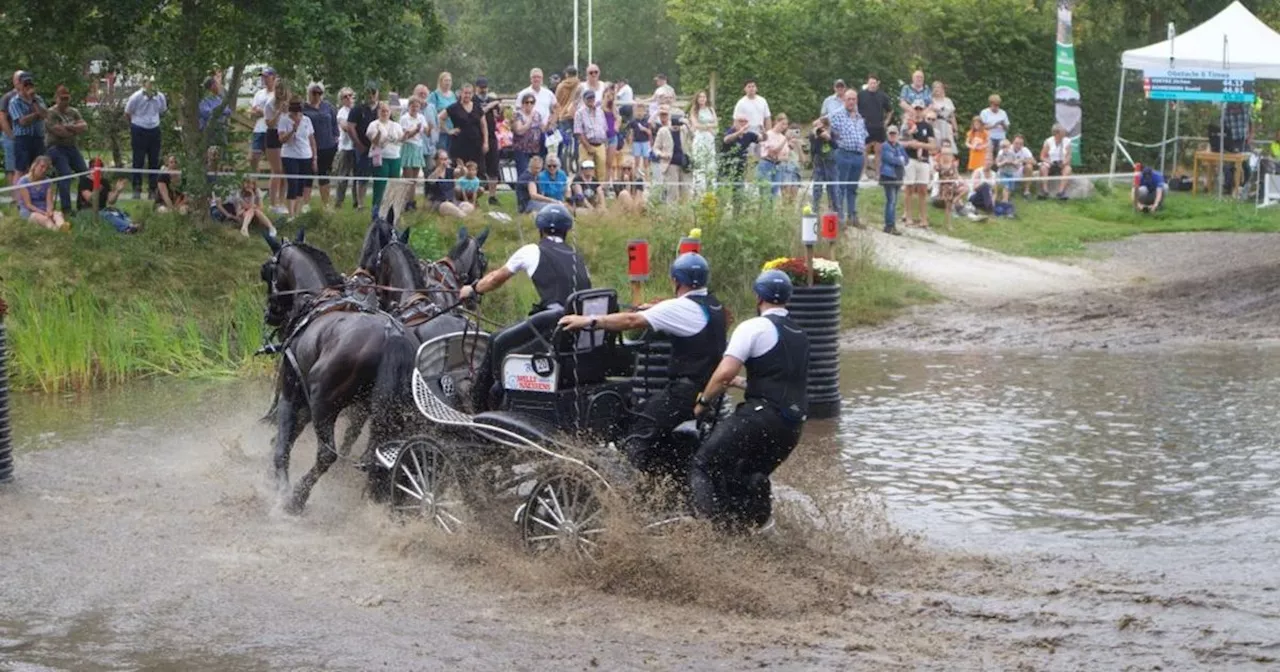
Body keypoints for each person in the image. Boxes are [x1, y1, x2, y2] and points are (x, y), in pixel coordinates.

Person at [559, 253, 726, 483]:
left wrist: (588, 321)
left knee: (637, 429)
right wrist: (656, 308)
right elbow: (681, 313)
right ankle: (660, 480)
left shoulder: (681, 308)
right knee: (658, 428)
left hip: (684, 393)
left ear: (676, 280)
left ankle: (624, 491)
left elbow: (630, 322)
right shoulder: (714, 305)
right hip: (707, 391)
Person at [690, 270, 809, 531]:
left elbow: (723, 373)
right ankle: (758, 532)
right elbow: (782, 380)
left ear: (758, 297)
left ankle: (707, 538)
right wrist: (745, 384)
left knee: (703, 464)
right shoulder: (799, 333)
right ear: (788, 298)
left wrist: (702, 403)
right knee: (747, 474)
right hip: (792, 426)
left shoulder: (753, 327)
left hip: (760, 417)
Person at [459, 204, 590, 313]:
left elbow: (495, 279)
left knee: (495, 341)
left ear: (540, 229)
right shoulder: (577, 256)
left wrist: (473, 289)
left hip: (555, 322)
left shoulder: (532, 250)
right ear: (566, 230)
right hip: (581, 320)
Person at [44, 85, 89, 213]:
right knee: (65, 175)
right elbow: (60, 132)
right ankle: (66, 208)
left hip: (71, 147)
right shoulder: (51, 113)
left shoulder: (73, 111)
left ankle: (83, 203)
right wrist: (75, 129)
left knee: (84, 173)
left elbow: (85, 126)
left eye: (67, 98)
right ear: (56, 98)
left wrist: (69, 127)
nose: (65, 101)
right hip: (56, 148)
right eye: (62, 98)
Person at [829, 90, 868, 229]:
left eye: (854, 99)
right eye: (849, 99)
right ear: (844, 100)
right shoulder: (837, 115)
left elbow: (864, 136)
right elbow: (829, 131)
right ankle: (839, 218)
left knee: (853, 188)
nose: (851, 102)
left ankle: (852, 216)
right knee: (841, 186)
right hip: (843, 153)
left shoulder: (859, 118)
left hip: (858, 155)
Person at [124, 78, 166, 200]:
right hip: (139, 128)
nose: (152, 85)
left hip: (154, 128)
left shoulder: (160, 96)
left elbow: (162, 110)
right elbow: (127, 112)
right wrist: (134, 125)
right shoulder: (136, 97)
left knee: (154, 160)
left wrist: (153, 120)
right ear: (144, 84)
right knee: (138, 159)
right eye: (150, 83)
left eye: (154, 83)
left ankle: (152, 189)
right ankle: (137, 188)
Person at [302, 82, 339, 208]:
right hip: (308, 147)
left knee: (324, 174)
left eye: (319, 93)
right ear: (309, 93)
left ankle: (326, 204)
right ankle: (305, 205)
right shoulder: (303, 108)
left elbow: (334, 125)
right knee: (308, 175)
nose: (317, 95)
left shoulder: (328, 107)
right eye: (314, 92)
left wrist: (335, 139)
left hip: (327, 146)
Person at [278, 100, 317, 216]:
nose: (297, 116)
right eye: (295, 113)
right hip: (290, 155)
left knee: (301, 184)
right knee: (293, 183)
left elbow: (311, 139)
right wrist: (293, 130)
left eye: (299, 113)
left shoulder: (307, 120)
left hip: (305, 155)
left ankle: (297, 211)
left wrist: (315, 157)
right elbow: (282, 139)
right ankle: (290, 213)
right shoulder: (284, 120)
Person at [346, 82, 381, 210]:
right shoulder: (358, 109)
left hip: (378, 148)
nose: (371, 95)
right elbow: (350, 127)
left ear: (377, 93)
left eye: (373, 92)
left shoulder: (381, 109)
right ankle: (360, 203)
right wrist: (358, 144)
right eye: (368, 92)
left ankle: (378, 204)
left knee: (378, 175)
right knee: (362, 176)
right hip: (363, 147)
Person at [367, 100, 404, 215]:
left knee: (394, 185)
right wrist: (378, 133)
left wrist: (408, 134)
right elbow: (374, 141)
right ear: (378, 112)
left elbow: (401, 140)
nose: (385, 113)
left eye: (387, 111)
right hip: (380, 157)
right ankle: (376, 212)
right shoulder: (374, 124)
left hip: (395, 157)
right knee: (380, 185)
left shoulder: (396, 125)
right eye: (382, 111)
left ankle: (392, 212)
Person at [442, 84, 488, 177]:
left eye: (469, 93)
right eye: (465, 93)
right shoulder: (454, 107)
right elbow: (440, 118)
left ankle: (473, 190)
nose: (467, 95)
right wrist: (448, 130)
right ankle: (459, 190)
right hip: (460, 144)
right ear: (461, 93)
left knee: (477, 170)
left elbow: (484, 125)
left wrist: (485, 142)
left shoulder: (477, 107)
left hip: (476, 144)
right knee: (460, 170)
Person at [902, 102, 935, 228]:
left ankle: (923, 218)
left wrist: (920, 145)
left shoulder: (927, 126)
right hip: (910, 159)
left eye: (920, 109)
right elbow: (899, 142)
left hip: (924, 160)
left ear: (923, 110)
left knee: (923, 190)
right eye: (916, 108)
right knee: (909, 189)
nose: (918, 111)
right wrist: (910, 143)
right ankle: (908, 216)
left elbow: (933, 145)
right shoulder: (906, 125)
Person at [7, 72, 46, 174]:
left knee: (38, 168)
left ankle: (34, 189)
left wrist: (33, 101)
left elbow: (44, 115)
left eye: (30, 84)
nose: (28, 87)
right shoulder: (14, 102)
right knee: (21, 169)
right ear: (19, 85)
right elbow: (22, 121)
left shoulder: (38, 99)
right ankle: (18, 190)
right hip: (23, 138)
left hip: (38, 137)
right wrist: (36, 114)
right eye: (25, 84)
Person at [15, 156, 68, 231]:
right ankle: (56, 231)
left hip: (44, 209)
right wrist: (43, 213)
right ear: (35, 165)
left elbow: (49, 202)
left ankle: (63, 227)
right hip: (30, 211)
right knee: (44, 219)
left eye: (46, 168)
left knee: (58, 214)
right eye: (42, 166)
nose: (44, 170)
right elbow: (28, 204)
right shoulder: (23, 181)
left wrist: (49, 211)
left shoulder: (48, 181)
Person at [856, 74, 893, 178]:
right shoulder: (861, 95)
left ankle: (878, 174)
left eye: (874, 83)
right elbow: (855, 109)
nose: (872, 85)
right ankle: (863, 174)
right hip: (865, 127)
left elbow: (890, 110)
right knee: (864, 151)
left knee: (879, 152)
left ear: (877, 84)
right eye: (870, 83)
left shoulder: (883, 96)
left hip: (879, 127)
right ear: (867, 83)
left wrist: (886, 122)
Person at [653, 104, 691, 205]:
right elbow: (655, 148)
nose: (676, 122)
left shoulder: (684, 130)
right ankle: (671, 216)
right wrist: (662, 155)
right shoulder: (663, 131)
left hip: (684, 164)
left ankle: (686, 216)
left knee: (686, 192)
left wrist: (687, 124)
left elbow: (694, 136)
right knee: (672, 192)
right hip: (670, 164)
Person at [473, 77, 503, 205]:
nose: (483, 90)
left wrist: (499, 110)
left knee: (493, 167)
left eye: (485, 87)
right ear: (476, 88)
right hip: (476, 136)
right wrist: (492, 105)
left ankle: (492, 196)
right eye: (481, 87)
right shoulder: (473, 100)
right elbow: (479, 113)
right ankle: (473, 195)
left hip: (491, 135)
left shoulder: (492, 100)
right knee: (476, 167)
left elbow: (500, 118)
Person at [424, 149, 474, 218]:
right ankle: (463, 216)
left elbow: (463, 174)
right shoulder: (430, 171)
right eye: (441, 159)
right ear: (435, 160)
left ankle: (459, 214)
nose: (444, 161)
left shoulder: (450, 171)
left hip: (452, 201)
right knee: (447, 206)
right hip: (438, 202)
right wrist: (440, 168)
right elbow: (431, 180)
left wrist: (462, 167)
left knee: (469, 206)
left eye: (446, 159)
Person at [398, 97, 428, 205]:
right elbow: (404, 136)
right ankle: (405, 200)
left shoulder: (421, 117)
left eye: (417, 106)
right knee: (408, 178)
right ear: (409, 106)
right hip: (408, 146)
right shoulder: (404, 118)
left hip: (418, 147)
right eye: (413, 106)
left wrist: (427, 128)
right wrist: (415, 130)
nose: (415, 108)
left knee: (414, 179)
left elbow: (426, 130)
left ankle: (411, 200)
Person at [334, 88, 360, 209]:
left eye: (350, 95)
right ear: (342, 100)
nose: (349, 98)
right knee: (343, 176)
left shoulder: (358, 110)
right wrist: (357, 127)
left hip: (357, 147)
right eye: (345, 96)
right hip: (345, 147)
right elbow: (346, 127)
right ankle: (339, 202)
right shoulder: (342, 112)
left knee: (357, 177)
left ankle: (357, 202)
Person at [688, 90, 719, 193]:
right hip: (700, 138)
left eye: (704, 97)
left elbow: (716, 123)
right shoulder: (694, 110)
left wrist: (706, 126)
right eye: (700, 97)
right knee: (700, 164)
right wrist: (708, 126)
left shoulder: (710, 109)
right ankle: (699, 190)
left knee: (711, 164)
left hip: (710, 138)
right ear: (697, 99)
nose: (702, 99)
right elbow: (696, 125)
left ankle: (712, 189)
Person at [249, 67, 277, 177]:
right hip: (259, 129)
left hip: (272, 129)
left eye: (267, 77)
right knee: (254, 157)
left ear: (273, 78)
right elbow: (253, 111)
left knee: (273, 160)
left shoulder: (277, 95)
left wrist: (263, 112)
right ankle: (254, 182)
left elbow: (278, 112)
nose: (264, 79)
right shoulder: (259, 94)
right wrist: (259, 112)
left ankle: (274, 184)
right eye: (263, 77)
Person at [516, 68, 557, 144]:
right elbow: (518, 111)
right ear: (530, 79)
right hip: (527, 131)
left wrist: (552, 123)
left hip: (545, 131)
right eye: (534, 77)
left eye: (539, 77)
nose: (536, 79)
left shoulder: (549, 93)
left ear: (542, 78)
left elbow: (555, 110)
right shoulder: (523, 93)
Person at [878, 125, 906, 236]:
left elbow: (906, 159)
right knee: (891, 201)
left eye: (895, 133)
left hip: (898, 177)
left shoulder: (900, 146)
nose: (893, 136)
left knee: (893, 202)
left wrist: (898, 159)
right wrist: (899, 159)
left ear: (898, 135)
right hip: (888, 176)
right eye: (891, 133)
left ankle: (890, 225)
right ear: (887, 134)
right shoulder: (884, 146)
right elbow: (889, 159)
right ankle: (889, 225)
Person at [574, 89, 608, 178]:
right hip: (586, 145)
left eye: (592, 98)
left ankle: (600, 190)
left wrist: (605, 144)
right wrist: (588, 147)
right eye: (588, 98)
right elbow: (578, 132)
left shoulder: (600, 112)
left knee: (601, 171)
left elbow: (604, 128)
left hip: (600, 144)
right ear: (584, 100)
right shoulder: (579, 113)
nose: (591, 100)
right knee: (586, 170)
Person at [756, 115, 790, 198]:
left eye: (786, 124)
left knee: (774, 192)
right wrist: (785, 140)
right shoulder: (768, 135)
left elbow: (786, 156)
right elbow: (773, 152)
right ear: (776, 122)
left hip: (778, 166)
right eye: (782, 124)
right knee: (765, 192)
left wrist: (779, 158)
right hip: (766, 164)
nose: (784, 126)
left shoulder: (782, 137)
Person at [1038, 124, 1073, 200]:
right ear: (1057, 133)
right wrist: (1050, 162)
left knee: (1068, 169)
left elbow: (1069, 156)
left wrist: (1064, 162)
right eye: (1062, 131)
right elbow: (1042, 156)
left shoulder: (1067, 141)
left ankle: (1061, 192)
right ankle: (1045, 191)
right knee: (1043, 168)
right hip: (1050, 164)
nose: (1064, 132)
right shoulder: (1048, 141)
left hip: (1062, 164)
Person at [809, 118, 837, 213]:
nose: (820, 129)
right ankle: (815, 210)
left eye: (822, 127)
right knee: (817, 188)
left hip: (831, 164)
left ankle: (834, 210)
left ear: (826, 126)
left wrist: (828, 138)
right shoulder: (814, 135)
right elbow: (813, 151)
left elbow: (836, 146)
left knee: (833, 189)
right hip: (819, 164)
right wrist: (816, 138)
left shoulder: (832, 133)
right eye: (817, 126)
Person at [1, 71, 23, 184]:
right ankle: (15, 196)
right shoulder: (8, 97)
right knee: (11, 166)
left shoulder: (29, 96)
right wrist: (10, 135)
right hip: (11, 134)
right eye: (19, 79)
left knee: (23, 165)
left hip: (24, 134)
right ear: (14, 82)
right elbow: (2, 118)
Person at [197, 75, 232, 144]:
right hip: (210, 131)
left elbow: (228, 111)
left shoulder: (219, 98)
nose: (219, 86)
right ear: (213, 85)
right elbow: (206, 113)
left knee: (223, 150)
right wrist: (221, 111)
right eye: (217, 84)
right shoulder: (205, 99)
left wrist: (221, 111)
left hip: (221, 129)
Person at [428, 72, 457, 152]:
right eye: (446, 80)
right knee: (441, 153)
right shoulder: (434, 95)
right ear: (440, 81)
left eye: (449, 80)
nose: (448, 83)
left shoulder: (453, 95)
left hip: (452, 130)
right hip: (440, 131)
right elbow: (430, 113)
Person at [929, 81, 956, 153]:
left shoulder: (948, 100)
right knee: (937, 145)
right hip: (935, 124)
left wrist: (955, 129)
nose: (936, 89)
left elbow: (952, 116)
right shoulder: (930, 101)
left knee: (948, 146)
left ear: (942, 89)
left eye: (938, 87)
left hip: (947, 125)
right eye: (935, 87)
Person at [627, 109, 653, 176]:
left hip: (645, 142)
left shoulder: (647, 121)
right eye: (638, 111)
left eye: (641, 111)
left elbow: (650, 132)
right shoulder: (633, 121)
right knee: (637, 161)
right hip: (636, 142)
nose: (639, 113)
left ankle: (647, 178)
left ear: (644, 112)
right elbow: (631, 133)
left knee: (646, 162)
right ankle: (636, 177)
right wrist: (630, 145)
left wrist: (644, 129)